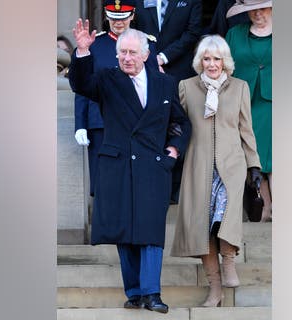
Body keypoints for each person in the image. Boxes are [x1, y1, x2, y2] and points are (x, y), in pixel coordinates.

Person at [69, 19, 191, 313]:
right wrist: (83, 52)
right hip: (118, 166)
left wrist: (173, 151)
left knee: (150, 231)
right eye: (122, 52)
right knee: (123, 231)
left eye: (132, 53)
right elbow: (80, 84)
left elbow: (180, 122)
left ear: (146, 55)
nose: (126, 58)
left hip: (153, 167)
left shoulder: (165, 83)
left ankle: (152, 293)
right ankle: (135, 291)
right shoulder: (107, 80)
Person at [170, 35, 262, 307]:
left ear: (225, 61)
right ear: (200, 61)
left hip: (232, 164)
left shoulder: (240, 87)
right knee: (203, 227)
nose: (212, 64)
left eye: (217, 59)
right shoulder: (186, 87)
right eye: (207, 59)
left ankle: (229, 260)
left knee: (225, 212)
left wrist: (253, 164)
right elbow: (178, 125)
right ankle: (215, 288)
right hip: (199, 166)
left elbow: (246, 129)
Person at [73, 0, 158, 196]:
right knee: (104, 185)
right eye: (113, 18)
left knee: (135, 186)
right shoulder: (95, 45)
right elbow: (83, 87)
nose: (118, 23)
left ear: (133, 16)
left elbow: (155, 86)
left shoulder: (147, 44)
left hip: (136, 125)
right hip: (100, 123)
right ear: (106, 16)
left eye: (122, 18)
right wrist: (80, 123)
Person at [133, 0, 203, 204]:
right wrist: (149, 59)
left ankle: (177, 189)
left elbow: (193, 32)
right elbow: (133, 32)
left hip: (180, 73)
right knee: (151, 126)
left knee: (179, 126)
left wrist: (163, 57)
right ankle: (152, 188)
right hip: (144, 71)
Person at [226, 0, 272, 222]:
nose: (257, 13)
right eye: (252, 9)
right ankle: (265, 208)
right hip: (245, 103)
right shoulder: (235, 34)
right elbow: (225, 66)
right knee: (256, 156)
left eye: (262, 8)